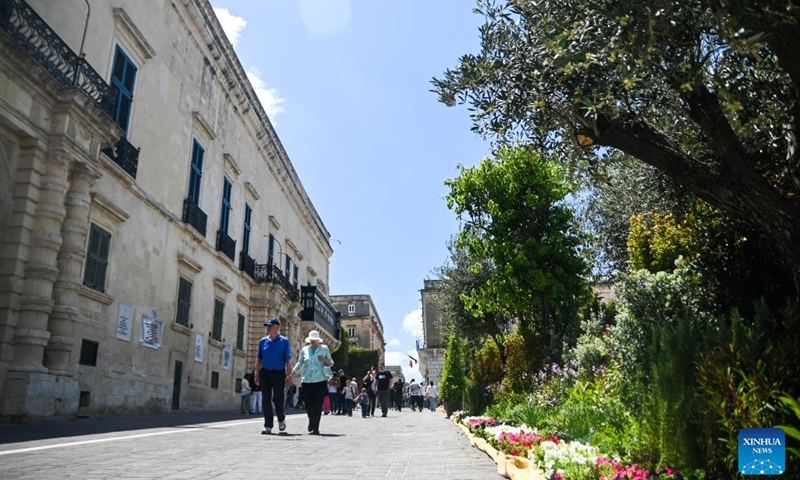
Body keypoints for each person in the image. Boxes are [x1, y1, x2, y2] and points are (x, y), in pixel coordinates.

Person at [253, 318, 293, 435]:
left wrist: (290, 375)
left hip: (278, 373)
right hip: (265, 372)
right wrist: (256, 373)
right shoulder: (263, 341)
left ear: (278, 327)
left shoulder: (284, 341)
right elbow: (258, 359)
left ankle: (281, 418)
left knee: (278, 398)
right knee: (266, 399)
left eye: (271, 326)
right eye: (268, 326)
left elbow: (288, 360)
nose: (269, 328)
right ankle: (268, 425)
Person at [291, 330, 334, 435]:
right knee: (308, 403)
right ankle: (311, 420)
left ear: (318, 340)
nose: (313, 342)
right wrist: (293, 372)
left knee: (318, 404)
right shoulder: (305, 349)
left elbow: (331, 363)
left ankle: (315, 428)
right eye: (311, 340)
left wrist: (324, 359)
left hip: (320, 380)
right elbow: (300, 362)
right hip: (307, 380)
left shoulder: (324, 349)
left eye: (314, 340)